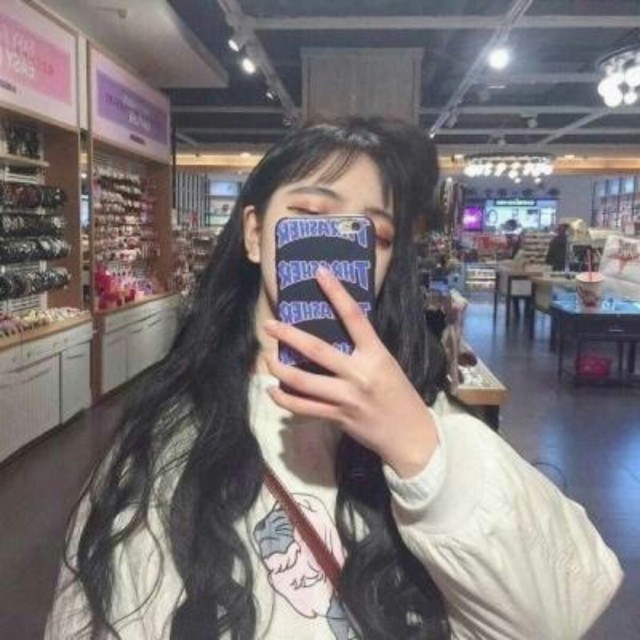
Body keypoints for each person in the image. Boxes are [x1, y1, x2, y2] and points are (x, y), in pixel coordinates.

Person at [46, 118, 622, 639]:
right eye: (310, 215)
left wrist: (419, 446)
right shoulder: (167, 439)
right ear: (255, 235)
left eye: (375, 235)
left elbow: (556, 615)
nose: (338, 248)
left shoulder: (431, 424)